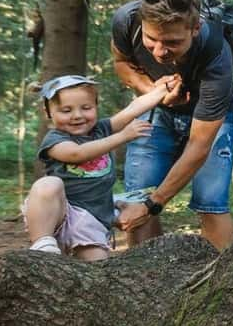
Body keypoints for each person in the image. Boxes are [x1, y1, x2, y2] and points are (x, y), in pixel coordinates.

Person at [110, 0, 233, 250]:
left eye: (172, 42)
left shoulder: (216, 52)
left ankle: (219, 282)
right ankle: (145, 279)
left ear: (195, 28)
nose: (159, 51)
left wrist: (153, 204)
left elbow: (199, 145)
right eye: (151, 39)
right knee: (137, 196)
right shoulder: (126, 21)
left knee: (211, 201)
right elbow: (121, 62)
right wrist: (152, 91)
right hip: (155, 112)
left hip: (210, 119)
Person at [23, 73, 180, 260]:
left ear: (96, 106)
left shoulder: (101, 129)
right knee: (48, 184)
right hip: (62, 212)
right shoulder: (55, 139)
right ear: (48, 112)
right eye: (66, 110)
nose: (77, 116)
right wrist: (122, 136)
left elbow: (132, 110)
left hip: (93, 217)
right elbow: (77, 153)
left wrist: (162, 90)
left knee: (96, 268)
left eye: (86, 108)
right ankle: (42, 244)